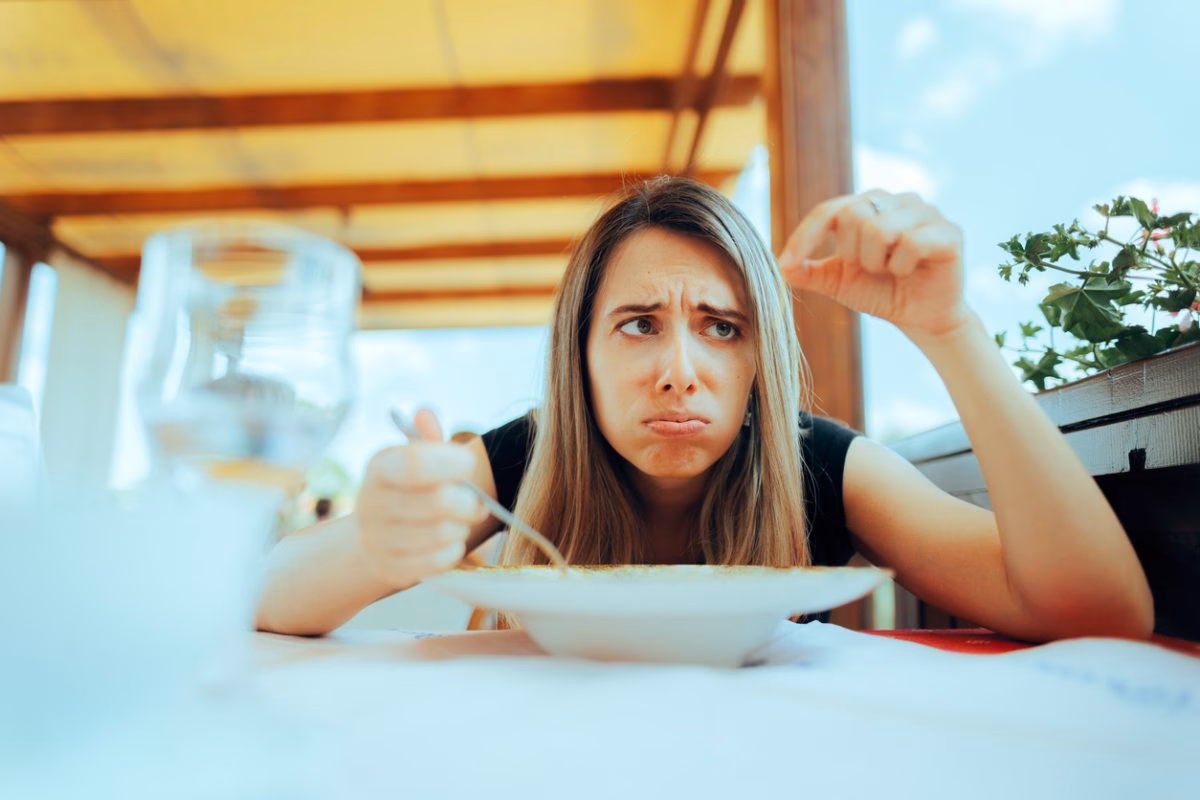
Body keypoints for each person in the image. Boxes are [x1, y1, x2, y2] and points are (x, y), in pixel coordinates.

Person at [255, 177, 1153, 642]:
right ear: (579, 355)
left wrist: (949, 329)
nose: (679, 373)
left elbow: (1101, 613)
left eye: (722, 328)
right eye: (638, 325)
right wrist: (377, 543)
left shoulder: (823, 465)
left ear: (760, 361)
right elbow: (260, 600)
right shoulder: (518, 459)